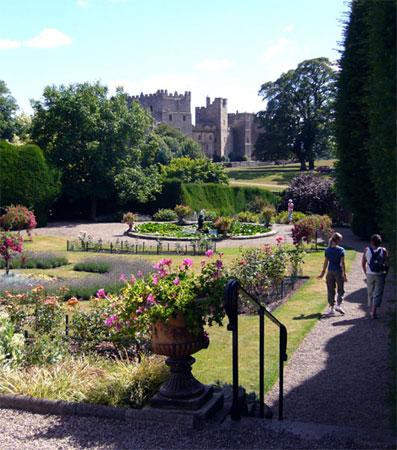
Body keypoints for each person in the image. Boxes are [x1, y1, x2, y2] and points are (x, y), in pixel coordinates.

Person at [318, 232, 348, 316]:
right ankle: (338, 305)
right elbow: (342, 263)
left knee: (330, 290)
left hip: (330, 272)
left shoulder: (327, 250)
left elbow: (325, 262)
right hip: (338, 271)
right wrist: (344, 274)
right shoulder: (341, 250)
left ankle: (332, 308)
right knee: (340, 289)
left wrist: (322, 273)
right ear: (338, 241)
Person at [361, 234, 389, 319]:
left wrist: (366, 272)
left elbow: (363, 263)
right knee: (378, 293)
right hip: (380, 274)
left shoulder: (366, 250)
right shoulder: (383, 250)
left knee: (370, 291)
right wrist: (386, 273)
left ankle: (371, 310)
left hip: (370, 274)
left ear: (371, 241)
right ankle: (373, 311)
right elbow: (387, 263)